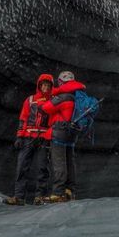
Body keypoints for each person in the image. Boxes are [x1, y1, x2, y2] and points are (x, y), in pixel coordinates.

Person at [3, 74, 54, 206]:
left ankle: (40, 197)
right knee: (22, 167)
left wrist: (50, 136)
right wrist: (19, 136)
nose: (46, 87)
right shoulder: (30, 100)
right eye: (44, 85)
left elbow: (55, 121)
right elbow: (23, 118)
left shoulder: (54, 101)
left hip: (44, 139)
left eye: (48, 85)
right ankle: (19, 197)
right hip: (28, 137)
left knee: (43, 168)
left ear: (51, 87)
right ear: (39, 85)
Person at [41, 70, 86, 203]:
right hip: (72, 133)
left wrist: (53, 94)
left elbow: (46, 108)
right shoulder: (78, 95)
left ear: (61, 82)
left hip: (60, 132)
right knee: (69, 162)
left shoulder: (63, 96)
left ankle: (58, 192)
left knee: (59, 162)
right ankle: (69, 190)